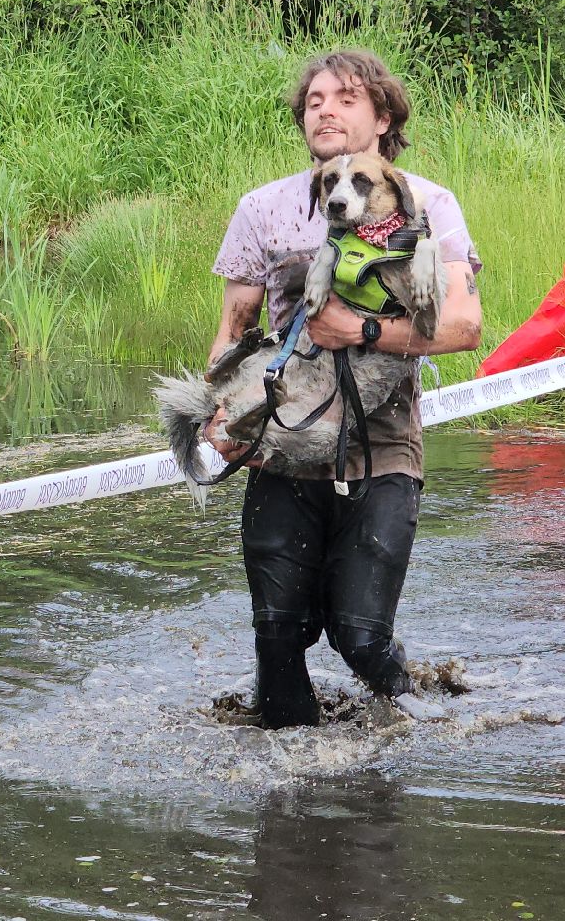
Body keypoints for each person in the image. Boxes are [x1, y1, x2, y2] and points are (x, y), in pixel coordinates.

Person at [204, 50, 482, 729]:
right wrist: (219, 410)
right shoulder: (263, 208)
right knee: (277, 638)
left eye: (345, 98)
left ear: (383, 117)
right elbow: (231, 331)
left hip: (383, 442)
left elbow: (465, 326)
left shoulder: (429, 203)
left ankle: (418, 708)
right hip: (286, 438)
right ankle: (285, 789)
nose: (324, 109)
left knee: (358, 638)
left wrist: (355, 329)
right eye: (313, 101)